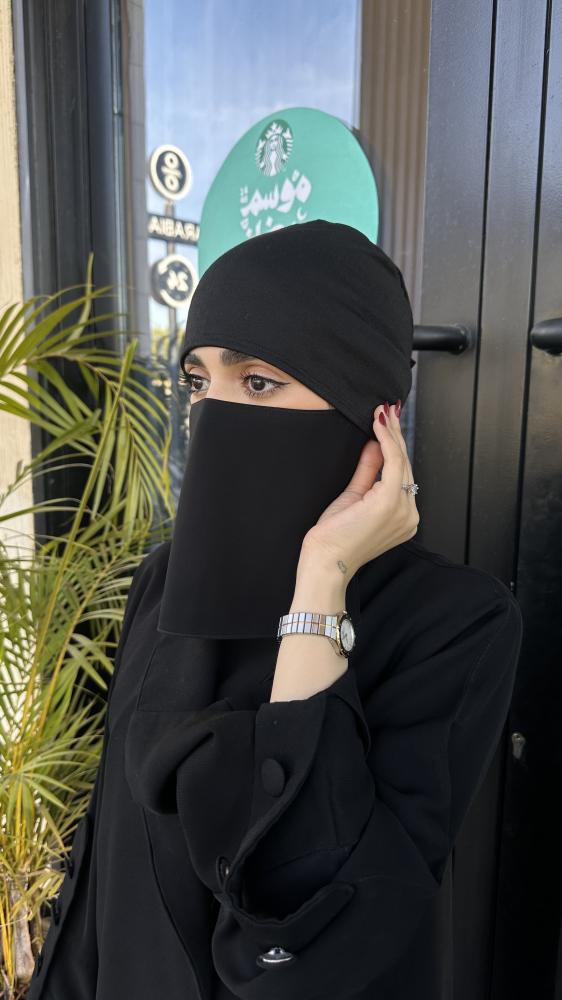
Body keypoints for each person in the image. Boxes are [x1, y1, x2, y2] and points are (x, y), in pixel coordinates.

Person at [27, 220, 523, 1000]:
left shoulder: (455, 623)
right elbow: (106, 869)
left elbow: (324, 913)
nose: (214, 413)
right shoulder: (163, 584)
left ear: (372, 412)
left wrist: (322, 582)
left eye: (259, 382)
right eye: (198, 381)